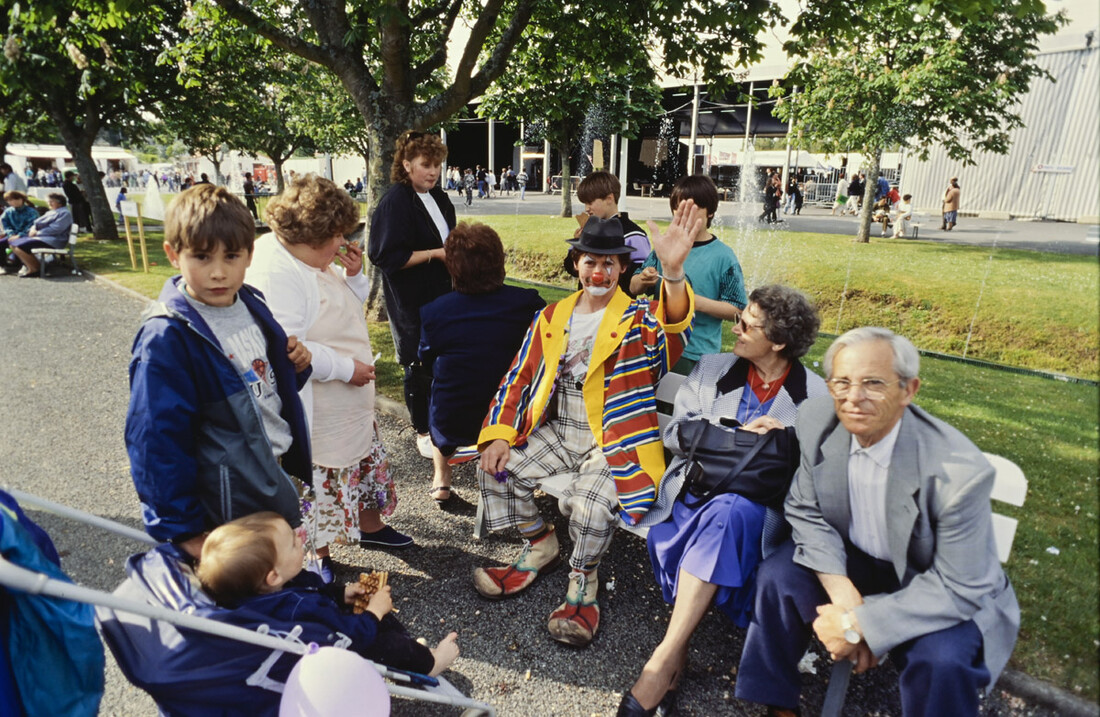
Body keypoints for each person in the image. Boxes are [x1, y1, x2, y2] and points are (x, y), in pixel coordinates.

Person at [734, 327, 1019, 717]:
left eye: (873, 383)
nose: (853, 398)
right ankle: (778, 706)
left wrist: (860, 624)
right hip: (856, 558)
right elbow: (805, 508)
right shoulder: (819, 418)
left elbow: (960, 585)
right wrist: (845, 597)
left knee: (944, 660)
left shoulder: (957, 471)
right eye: (842, 382)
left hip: (935, 581)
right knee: (777, 579)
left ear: (909, 390)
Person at [473, 208, 699, 648]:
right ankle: (541, 544)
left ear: (621, 268)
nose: (599, 270)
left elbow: (674, 334)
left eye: (609, 262)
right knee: (493, 465)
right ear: (576, 263)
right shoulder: (552, 316)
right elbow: (519, 378)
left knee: (592, 507)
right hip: (563, 430)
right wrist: (499, 433)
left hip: (615, 438)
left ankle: (584, 580)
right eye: (591, 261)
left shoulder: (639, 319)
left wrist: (673, 274)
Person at [620, 285, 827, 715]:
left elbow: (814, 479)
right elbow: (674, 433)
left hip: (758, 516)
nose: (736, 327)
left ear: (779, 341)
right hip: (692, 497)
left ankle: (665, 660)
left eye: (747, 324)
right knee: (725, 512)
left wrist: (783, 441)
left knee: (732, 511)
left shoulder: (817, 397)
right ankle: (672, 655)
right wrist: (737, 438)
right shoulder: (714, 367)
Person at [125, 184, 313, 560]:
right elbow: (154, 441)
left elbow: (268, 386)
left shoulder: (250, 301)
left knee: (277, 581)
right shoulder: (167, 336)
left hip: (270, 473)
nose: (218, 272)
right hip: (225, 500)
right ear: (173, 255)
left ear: (248, 255)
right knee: (242, 602)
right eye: (201, 257)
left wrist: (297, 365)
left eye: (231, 256)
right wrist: (184, 530)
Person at [249, 175, 411, 580]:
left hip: (347, 395)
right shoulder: (277, 271)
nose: (342, 244)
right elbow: (291, 348)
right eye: (336, 237)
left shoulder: (307, 257)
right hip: (321, 401)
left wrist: (354, 277)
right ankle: (317, 555)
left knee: (360, 454)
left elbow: (339, 304)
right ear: (310, 235)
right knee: (319, 474)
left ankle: (370, 527)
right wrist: (346, 368)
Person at [196, 512, 459, 676]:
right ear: (272, 576)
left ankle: (410, 655)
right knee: (390, 641)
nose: (300, 541)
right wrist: (374, 611)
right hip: (338, 653)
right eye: (292, 543)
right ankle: (429, 664)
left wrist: (341, 593)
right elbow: (350, 636)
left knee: (370, 617)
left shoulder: (266, 590)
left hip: (317, 638)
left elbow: (314, 590)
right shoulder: (299, 606)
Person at [418, 222, 545, 505]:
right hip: (510, 417)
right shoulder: (527, 303)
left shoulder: (434, 312)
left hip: (456, 421)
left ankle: (442, 478)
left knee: (437, 384)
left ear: (453, 267)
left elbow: (425, 357)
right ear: (499, 262)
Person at [367, 130, 455, 461]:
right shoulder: (396, 202)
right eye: (425, 165)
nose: (433, 171)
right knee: (417, 362)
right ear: (406, 165)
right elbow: (386, 256)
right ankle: (421, 429)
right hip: (412, 299)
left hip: (443, 294)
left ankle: (442, 423)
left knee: (440, 360)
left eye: (437, 165)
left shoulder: (440, 198)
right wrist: (436, 253)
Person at [631, 175, 746, 374]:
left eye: (694, 209)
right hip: (654, 346)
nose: (684, 215)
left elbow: (737, 310)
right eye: (678, 208)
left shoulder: (723, 256)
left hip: (697, 356)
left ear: (710, 212)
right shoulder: (665, 246)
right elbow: (632, 286)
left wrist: (690, 300)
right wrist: (643, 279)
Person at [566, 171, 651, 295]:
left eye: (590, 202)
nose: (586, 209)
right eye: (584, 203)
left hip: (619, 309)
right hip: (587, 305)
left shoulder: (634, 234)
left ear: (609, 198)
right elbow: (571, 268)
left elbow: (638, 278)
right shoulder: (589, 230)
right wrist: (577, 246)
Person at [9, 193, 73, 277]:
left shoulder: (64, 213)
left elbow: (56, 229)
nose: (49, 203)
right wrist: (33, 229)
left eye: (52, 202)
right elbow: (36, 224)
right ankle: (32, 266)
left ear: (60, 203)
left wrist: (37, 233)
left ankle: (35, 269)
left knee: (20, 246)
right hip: (43, 237)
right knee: (13, 243)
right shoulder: (52, 212)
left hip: (54, 240)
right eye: (48, 201)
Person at [0, 191, 39, 268]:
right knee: (1, 243)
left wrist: (19, 235)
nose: (10, 202)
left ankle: (23, 264)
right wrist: (11, 234)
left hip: (27, 236)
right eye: (8, 200)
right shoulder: (8, 211)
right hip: (12, 235)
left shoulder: (31, 212)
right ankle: (3, 265)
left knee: (20, 244)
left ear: (21, 199)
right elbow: (6, 225)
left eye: (12, 200)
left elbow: (32, 226)